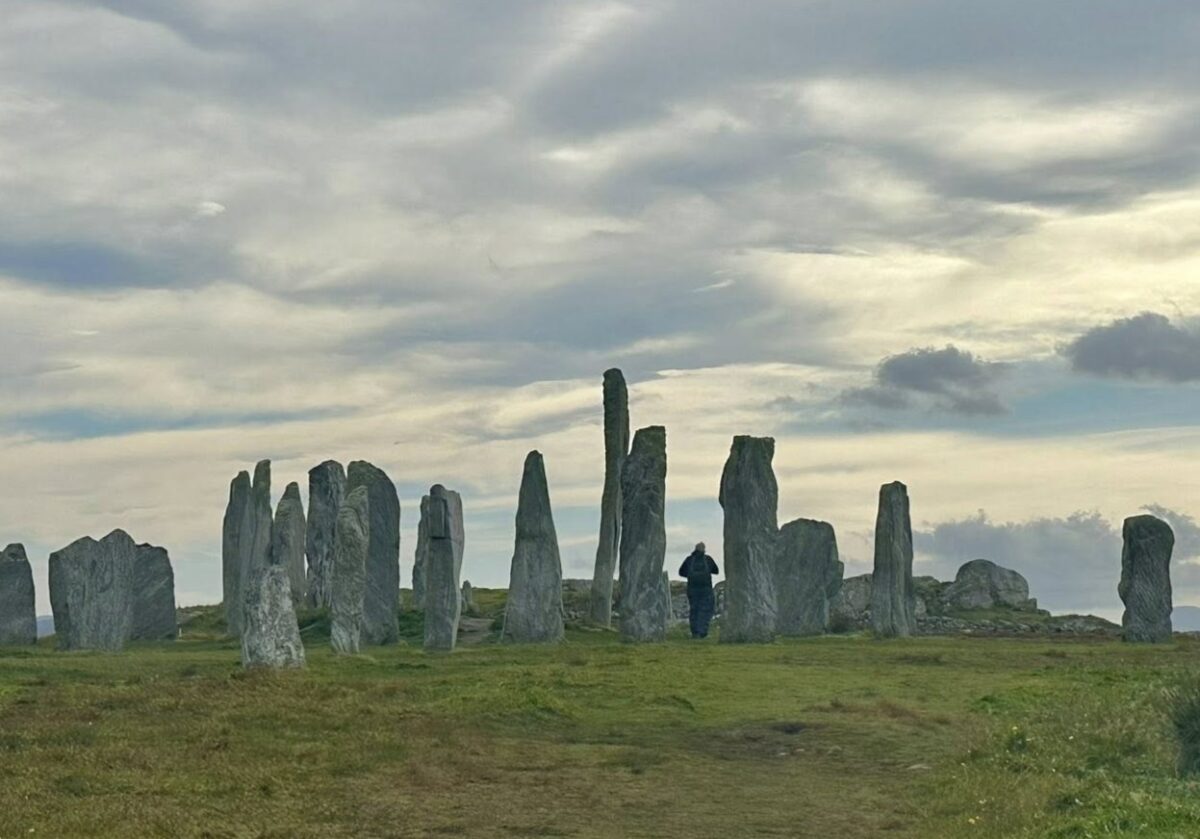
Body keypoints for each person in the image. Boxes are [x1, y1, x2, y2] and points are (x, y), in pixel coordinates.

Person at [678, 542, 719, 639]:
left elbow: (681, 572)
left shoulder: (689, 560)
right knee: (705, 610)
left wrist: (690, 576)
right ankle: (702, 632)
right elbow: (716, 571)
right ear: (704, 549)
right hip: (706, 589)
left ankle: (695, 632)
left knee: (694, 610)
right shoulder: (708, 559)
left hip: (692, 589)